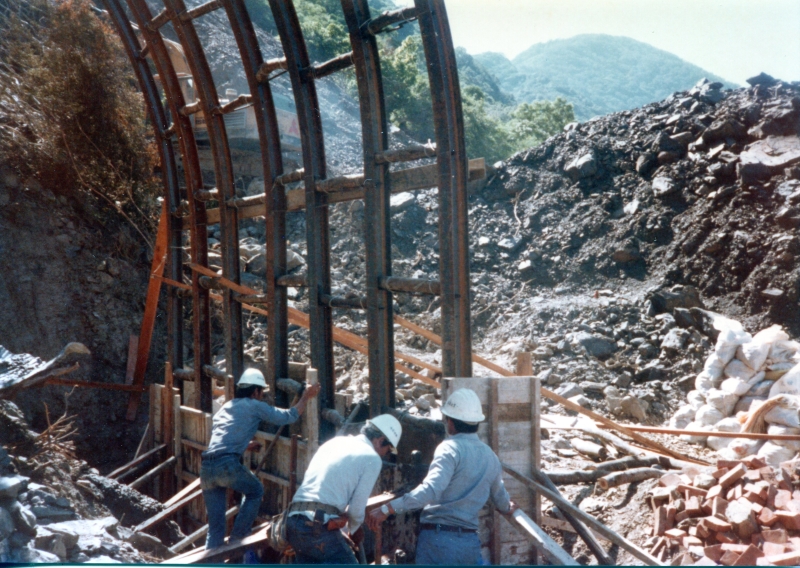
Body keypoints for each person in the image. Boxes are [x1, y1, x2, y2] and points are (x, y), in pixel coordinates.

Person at [367, 388, 517, 565]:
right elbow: (502, 501)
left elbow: (430, 491)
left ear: (451, 422)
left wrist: (387, 508)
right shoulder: (491, 456)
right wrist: (509, 506)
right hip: (469, 544)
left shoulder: (449, 448)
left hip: (439, 542)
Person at [200, 368, 320, 550]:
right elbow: (289, 416)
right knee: (255, 490)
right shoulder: (254, 405)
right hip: (226, 465)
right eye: (262, 392)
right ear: (255, 391)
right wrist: (306, 397)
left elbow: (221, 436)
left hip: (207, 468)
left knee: (215, 529)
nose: (262, 396)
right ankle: (238, 538)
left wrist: (244, 445)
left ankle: (210, 562)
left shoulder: (227, 406)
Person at [285, 414, 402, 564]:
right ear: (380, 441)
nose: (386, 454)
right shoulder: (372, 458)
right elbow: (356, 509)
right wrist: (351, 530)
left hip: (293, 520)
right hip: (318, 525)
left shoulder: (334, 442)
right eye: (388, 449)